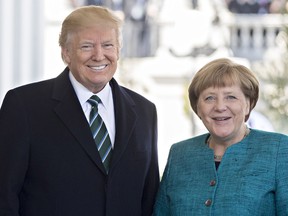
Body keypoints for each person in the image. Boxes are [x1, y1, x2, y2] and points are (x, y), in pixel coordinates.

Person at [0, 6, 159, 216]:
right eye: (86, 46)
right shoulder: (24, 106)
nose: (99, 55)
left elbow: (149, 200)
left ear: (119, 50)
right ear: (66, 53)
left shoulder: (144, 111)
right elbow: (4, 195)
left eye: (108, 45)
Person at [153, 58, 288, 215]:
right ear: (197, 107)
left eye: (230, 97)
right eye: (209, 98)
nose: (220, 107)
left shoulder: (279, 150)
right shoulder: (179, 154)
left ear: (248, 104)